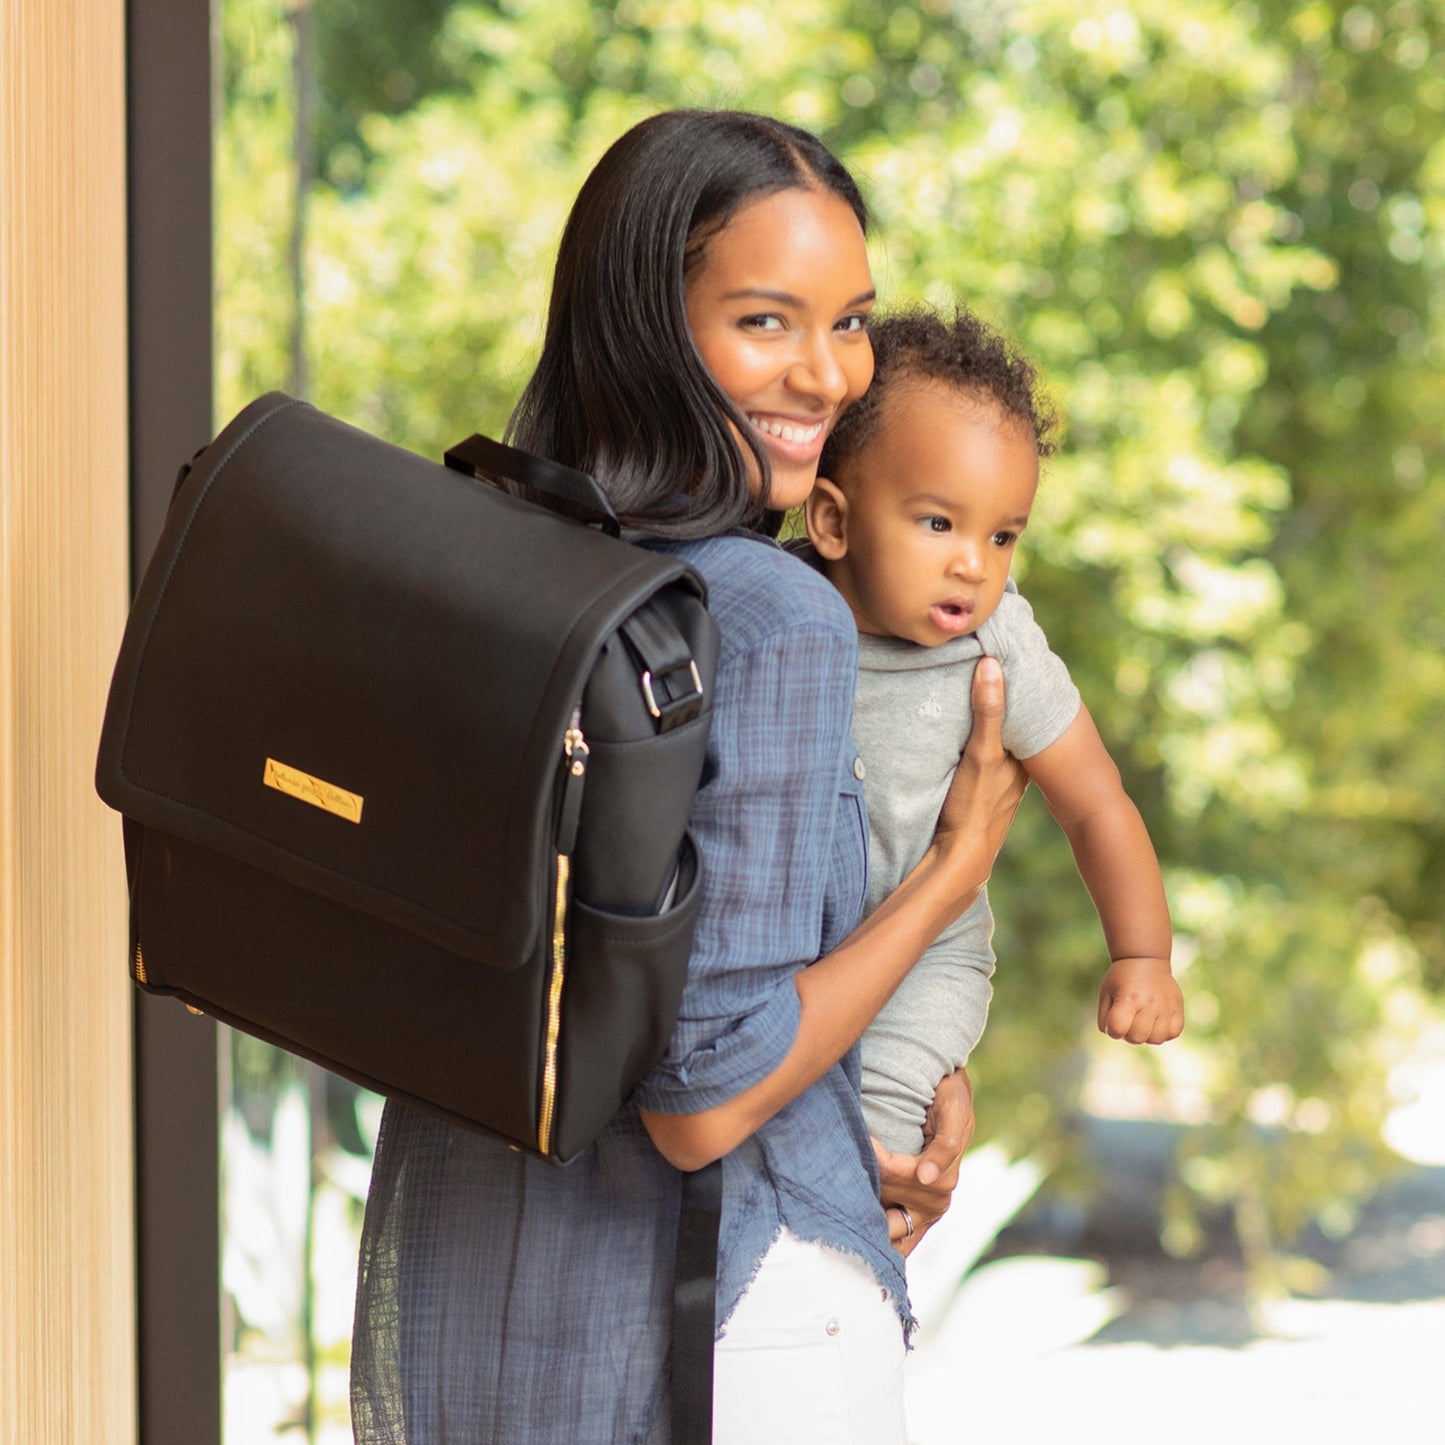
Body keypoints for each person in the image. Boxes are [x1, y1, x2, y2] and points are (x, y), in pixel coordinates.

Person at [350, 112, 1027, 1444]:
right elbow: (706, 1098)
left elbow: (599, 997)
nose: (831, 376)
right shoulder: (769, 615)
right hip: (728, 1319)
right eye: (766, 322)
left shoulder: (506, 571)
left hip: (475, 1288)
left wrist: (861, 1099)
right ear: (647, 327)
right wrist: (955, 867)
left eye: (850, 322)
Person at [801, 305, 1185, 1156]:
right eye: (938, 522)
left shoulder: (997, 643)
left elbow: (1095, 801)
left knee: (880, 1116)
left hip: (924, 956)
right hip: (788, 946)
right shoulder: (774, 615)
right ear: (832, 522)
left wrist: (1142, 954)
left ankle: (861, 1246)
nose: (974, 562)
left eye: (1002, 535)